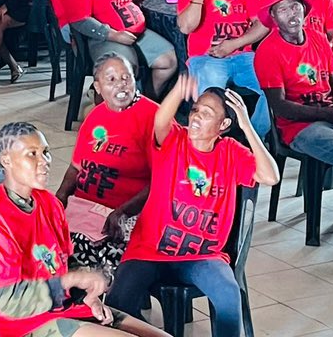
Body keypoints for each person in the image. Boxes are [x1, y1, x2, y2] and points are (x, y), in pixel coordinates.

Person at [106, 77, 278, 337]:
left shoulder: (231, 151)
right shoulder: (174, 140)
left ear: (224, 125)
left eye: (207, 114)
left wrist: (247, 125)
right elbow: (161, 121)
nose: (196, 117)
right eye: (196, 109)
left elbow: (271, 177)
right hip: (149, 250)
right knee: (117, 303)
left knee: (229, 295)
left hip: (202, 255)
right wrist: (178, 91)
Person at [0, 122, 166, 337]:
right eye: (31, 154)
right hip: (25, 324)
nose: (43, 161)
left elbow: (64, 261)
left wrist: (88, 295)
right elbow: (8, 303)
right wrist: (71, 280)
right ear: (6, 160)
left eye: (45, 152)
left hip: (66, 307)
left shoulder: (50, 204)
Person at [254, 0, 333, 220]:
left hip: (331, 115)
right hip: (298, 128)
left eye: (296, 6)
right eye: (283, 9)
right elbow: (280, 107)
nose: (292, 13)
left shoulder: (317, 37)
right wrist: (329, 114)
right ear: (274, 18)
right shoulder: (268, 51)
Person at [56, 55, 159, 275]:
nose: (121, 84)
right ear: (98, 87)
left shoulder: (154, 118)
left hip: (125, 214)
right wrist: (60, 197)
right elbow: (76, 167)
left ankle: (97, 304)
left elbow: (162, 181)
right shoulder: (95, 116)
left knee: (88, 266)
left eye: (126, 78)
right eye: (111, 79)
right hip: (84, 209)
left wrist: (123, 212)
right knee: (40, 248)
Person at [177, 0, 270, 136]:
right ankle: (209, 141)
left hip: (243, 56)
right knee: (210, 98)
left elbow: (262, 24)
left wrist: (235, 44)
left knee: (272, 86)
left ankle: (255, 139)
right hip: (206, 57)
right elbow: (185, 27)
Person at [67, 0, 177, 98]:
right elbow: (79, 20)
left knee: (168, 61)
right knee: (125, 71)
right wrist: (114, 35)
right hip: (107, 38)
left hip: (138, 33)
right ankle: (123, 106)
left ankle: (148, 99)